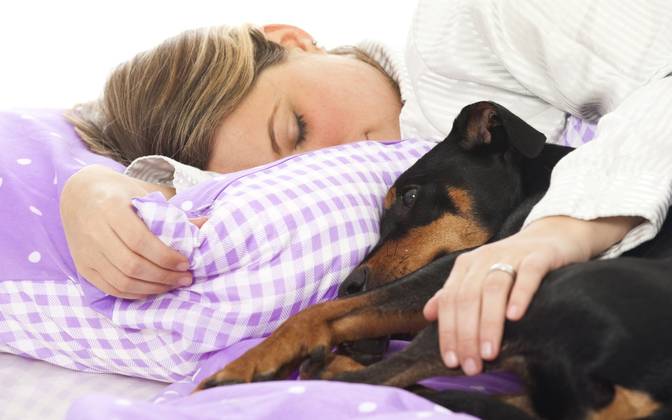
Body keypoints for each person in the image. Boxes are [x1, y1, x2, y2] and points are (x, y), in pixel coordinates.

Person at [61, 0, 672, 379]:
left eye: (296, 128)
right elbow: (198, 196)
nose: (330, 153)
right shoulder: (413, 160)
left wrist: (558, 232)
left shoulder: (466, 23)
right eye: (297, 169)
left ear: (292, 40)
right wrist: (93, 190)